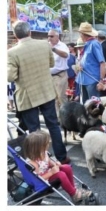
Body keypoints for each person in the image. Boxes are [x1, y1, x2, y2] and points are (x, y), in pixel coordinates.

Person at [7, 21, 69, 164]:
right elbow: (51, 64)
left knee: (34, 131)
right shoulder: (44, 45)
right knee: (53, 125)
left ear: (16, 35)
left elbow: (10, 77)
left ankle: (41, 161)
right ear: (30, 32)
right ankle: (62, 157)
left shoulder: (11, 53)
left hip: (28, 96)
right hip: (46, 91)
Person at [23, 130, 92, 203]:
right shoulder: (33, 163)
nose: (48, 144)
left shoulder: (43, 153)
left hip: (49, 173)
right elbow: (38, 179)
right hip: (43, 181)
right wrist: (52, 172)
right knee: (61, 175)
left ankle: (73, 190)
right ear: (39, 148)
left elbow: (48, 162)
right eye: (46, 144)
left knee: (66, 167)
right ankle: (74, 194)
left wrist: (55, 164)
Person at [75, 22, 106, 104]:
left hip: (92, 80)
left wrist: (101, 81)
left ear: (83, 34)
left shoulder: (94, 44)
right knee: (85, 105)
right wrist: (79, 65)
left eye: (80, 34)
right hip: (84, 79)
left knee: (93, 105)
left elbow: (102, 63)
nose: (80, 35)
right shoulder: (87, 44)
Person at [48, 29, 69, 120]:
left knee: (61, 97)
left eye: (51, 36)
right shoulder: (46, 45)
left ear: (57, 37)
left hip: (60, 75)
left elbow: (65, 55)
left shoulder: (62, 45)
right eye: (48, 36)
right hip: (50, 76)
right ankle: (58, 118)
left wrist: (53, 49)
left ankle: (66, 117)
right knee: (53, 98)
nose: (49, 38)